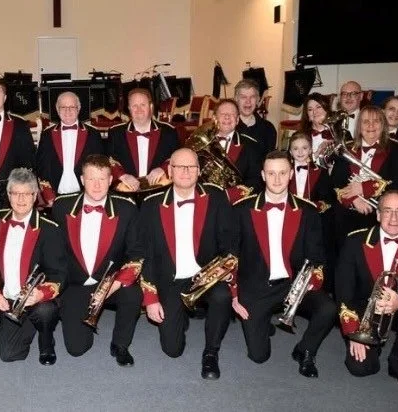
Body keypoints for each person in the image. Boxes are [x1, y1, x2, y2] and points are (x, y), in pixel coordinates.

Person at [232, 151, 336, 378]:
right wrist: (234, 293)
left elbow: (317, 256)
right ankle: (264, 323)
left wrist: (312, 282)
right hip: (257, 287)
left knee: (328, 308)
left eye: (282, 173)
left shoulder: (308, 211)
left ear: (290, 174)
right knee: (258, 356)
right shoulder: (242, 209)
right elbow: (231, 256)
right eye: (271, 173)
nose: (277, 179)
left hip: (294, 283)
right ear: (262, 175)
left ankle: (305, 350)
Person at [140, 148, 236, 379]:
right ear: (170, 171)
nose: (185, 171)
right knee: (172, 350)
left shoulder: (216, 196)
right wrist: (151, 298)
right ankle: (179, 315)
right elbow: (147, 254)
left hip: (206, 275)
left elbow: (230, 241)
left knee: (221, 296)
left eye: (191, 166)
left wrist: (225, 273)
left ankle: (211, 353)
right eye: (179, 166)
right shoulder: (151, 204)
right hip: (171, 280)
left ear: (199, 171)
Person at [336, 190, 398, 389]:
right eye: (387, 211)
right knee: (361, 369)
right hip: (363, 312)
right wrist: (354, 333)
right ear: (378, 214)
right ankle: (374, 345)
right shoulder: (355, 241)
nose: (393, 218)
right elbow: (343, 290)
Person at [51, 154, 144, 366]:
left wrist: (116, 284)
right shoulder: (61, 206)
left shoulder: (126, 208)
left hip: (112, 281)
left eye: (102, 179)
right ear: (82, 180)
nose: (97, 185)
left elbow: (136, 252)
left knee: (132, 293)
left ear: (111, 180)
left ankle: (120, 344)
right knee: (76, 349)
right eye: (91, 178)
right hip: (76, 283)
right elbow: (53, 250)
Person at [0, 168, 66, 365]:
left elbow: (59, 273)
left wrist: (40, 294)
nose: (21, 199)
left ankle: (46, 339)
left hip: (38, 298)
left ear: (35, 196)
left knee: (45, 312)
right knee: (9, 355)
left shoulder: (50, 229)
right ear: (9, 195)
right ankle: (29, 325)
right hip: (8, 298)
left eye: (27, 193)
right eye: (16, 193)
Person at [331, 105, 398, 241]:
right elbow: (336, 181)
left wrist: (363, 188)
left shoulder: (396, 150)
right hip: (346, 214)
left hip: (379, 216)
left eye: (376, 121)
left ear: (383, 124)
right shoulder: (347, 149)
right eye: (365, 121)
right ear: (359, 126)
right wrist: (354, 199)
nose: (371, 125)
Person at [287, 132, 337, 291]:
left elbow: (328, 199)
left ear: (310, 150)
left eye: (304, 148)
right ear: (290, 151)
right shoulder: (284, 170)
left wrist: (311, 207)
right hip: (288, 220)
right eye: (295, 148)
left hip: (312, 222)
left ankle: (310, 287)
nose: (300, 152)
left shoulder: (320, 171)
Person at [35, 91, 104, 204]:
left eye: (72, 107)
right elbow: (41, 168)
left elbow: (99, 168)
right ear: (57, 110)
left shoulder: (93, 134)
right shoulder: (47, 135)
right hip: (54, 198)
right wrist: (48, 196)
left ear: (78, 108)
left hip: (86, 198)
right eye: (63, 107)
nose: (68, 111)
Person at [106, 88, 180, 192]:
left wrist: (162, 169)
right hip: (127, 190)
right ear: (129, 109)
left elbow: (178, 158)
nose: (138, 109)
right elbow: (108, 160)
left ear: (151, 107)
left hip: (160, 189)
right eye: (134, 106)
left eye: (143, 105)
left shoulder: (169, 131)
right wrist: (122, 176)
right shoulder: (116, 133)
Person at [208, 99, 263, 202]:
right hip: (207, 201)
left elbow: (256, 180)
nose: (227, 117)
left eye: (232, 114)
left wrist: (231, 196)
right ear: (214, 118)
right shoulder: (202, 143)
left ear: (237, 120)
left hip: (237, 204)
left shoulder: (251, 146)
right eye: (223, 113)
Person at [298, 93, 349, 162]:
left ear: (327, 110)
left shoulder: (342, 133)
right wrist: (317, 152)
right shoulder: (300, 136)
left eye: (318, 107)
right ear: (307, 115)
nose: (315, 112)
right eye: (310, 109)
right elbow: (297, 162)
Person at [235, 79, 277, 162]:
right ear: (236, 99)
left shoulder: (268, 129)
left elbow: (269, 161)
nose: (248, 101)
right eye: (243, 97)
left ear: (258, 100)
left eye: (252, 97)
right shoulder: (228, 126)